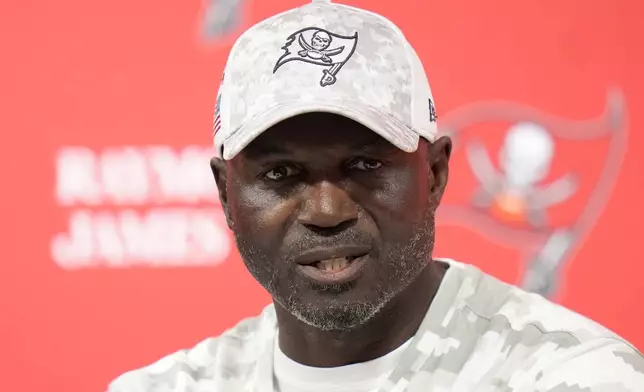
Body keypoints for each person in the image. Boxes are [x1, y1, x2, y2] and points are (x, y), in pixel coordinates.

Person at [108, 0, 644, 391]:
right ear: (226, 194)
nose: (326, 211)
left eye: (365, 165)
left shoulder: (575, 377)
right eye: (281, 174)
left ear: (433, 174)